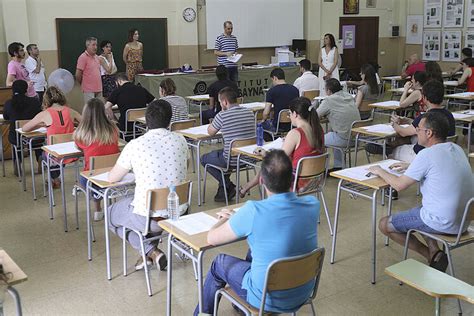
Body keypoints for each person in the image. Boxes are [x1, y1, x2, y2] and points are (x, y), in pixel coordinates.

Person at [194, 149, 319, 315]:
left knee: (219, 263)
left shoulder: (253, 211)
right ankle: (240, 307)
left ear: (261, 181)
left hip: (265, 298)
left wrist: (227, 219)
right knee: (255, 249)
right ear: (292, 178)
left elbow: (212, 238)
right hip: (303, 291)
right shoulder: (312, 204)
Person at [368, 111, 473, 272]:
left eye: (419, 129)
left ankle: (430, 254)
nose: (416, 131)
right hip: (464, 221)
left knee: (384, 224)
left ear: (429, 133)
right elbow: (439, 169)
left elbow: (398, 185)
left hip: (442, 221)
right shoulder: (457, 149)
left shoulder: (426, 155)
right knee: (419, 212)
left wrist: (379, 170)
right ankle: (435, 253)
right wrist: (412, 168)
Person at [107, 99, 188, 271]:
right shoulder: (181, 141)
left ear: (146, 119)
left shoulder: (135, 145)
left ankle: (151, 251)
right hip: (179, 211)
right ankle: (150, 255)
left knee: (110, 215)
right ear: (170, 119)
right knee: (140, 201)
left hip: (149, 218)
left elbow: (112, 178)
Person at [239, 97, 325, 197]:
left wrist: (264, 153)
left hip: (298, 181)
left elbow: (278, 159)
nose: (289, 117)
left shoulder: (295, 133)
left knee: (270, 167)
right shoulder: (318, 130)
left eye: (290, 113)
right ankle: (245, 188)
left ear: (295, 114)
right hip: (316, 179)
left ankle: (246, 188)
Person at [368, 79, 456, 164]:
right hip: (443, 155)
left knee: (395, 150)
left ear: (424, 98)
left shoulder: (425, 117)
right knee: (411, 138)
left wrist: (394, 124)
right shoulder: (449, 115)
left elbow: (403, 132)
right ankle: (389, 147)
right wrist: (408, 121)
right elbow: (419, 126)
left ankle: (388, 150)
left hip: (421, 155)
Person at [201, 87, 255, 202]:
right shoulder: (250, 113)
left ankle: (228, 185)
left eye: (220, 102)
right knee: (221, 153)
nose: (220, 105)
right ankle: (224, 189)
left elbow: (210, 132)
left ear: (225, 102)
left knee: (204, 158)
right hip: (249, 157)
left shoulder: (222, 115)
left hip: (232, 159)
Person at [22, 86, 82, 188]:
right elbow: (86, 124)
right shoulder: (71, 111)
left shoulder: (44, 114)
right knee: (56, 154)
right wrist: (74, 125)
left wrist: (40, 125)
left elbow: (25, 128)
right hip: (72, 152)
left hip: (54, 154)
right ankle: (54, 177)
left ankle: (53, 177)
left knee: (49, 153)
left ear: (46, 100)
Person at [74, 98, 119, 221]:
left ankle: (97, 208)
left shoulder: (82, 134)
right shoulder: (113, 129)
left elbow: (79, 148)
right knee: (98, 172)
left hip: (91, 177)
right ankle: (108, 208)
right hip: (113, 174)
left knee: (86, 173)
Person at [317, 79, 360, 172]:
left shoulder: (328, 100)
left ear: (328, 90)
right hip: (357, 138)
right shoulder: (349, 96)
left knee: (316, 140)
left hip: (343, 139)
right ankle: (338, 165)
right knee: (334, 132)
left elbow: (316, 115)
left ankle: (319, 169)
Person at [3, 80, 42, 175]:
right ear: (26, 90)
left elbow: (5, 117)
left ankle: (18, 161)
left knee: (17, 141)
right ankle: (40, 158)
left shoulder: (9, 103)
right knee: (38, 142)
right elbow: (39, 116)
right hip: (34, 137)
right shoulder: (35, 101)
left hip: (16, 138)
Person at [262, 68, 299, 133]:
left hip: (278, 125)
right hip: (293, 123)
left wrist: (263, 120)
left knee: (260, 125)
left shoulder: (271, 91)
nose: (272, 82)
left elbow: (266, 113)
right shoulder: (295, 89)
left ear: (275, 78)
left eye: (272, 80)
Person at [76, 37, 102, 103]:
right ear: (87, 45)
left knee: (98, 110)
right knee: (90, 110)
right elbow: (78, 74)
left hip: (99, 89)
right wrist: (84, 84)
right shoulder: (83, 57)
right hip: (88, 90)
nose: (95, 47)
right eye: (93, 45)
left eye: (96, 45)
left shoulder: (97, 57)